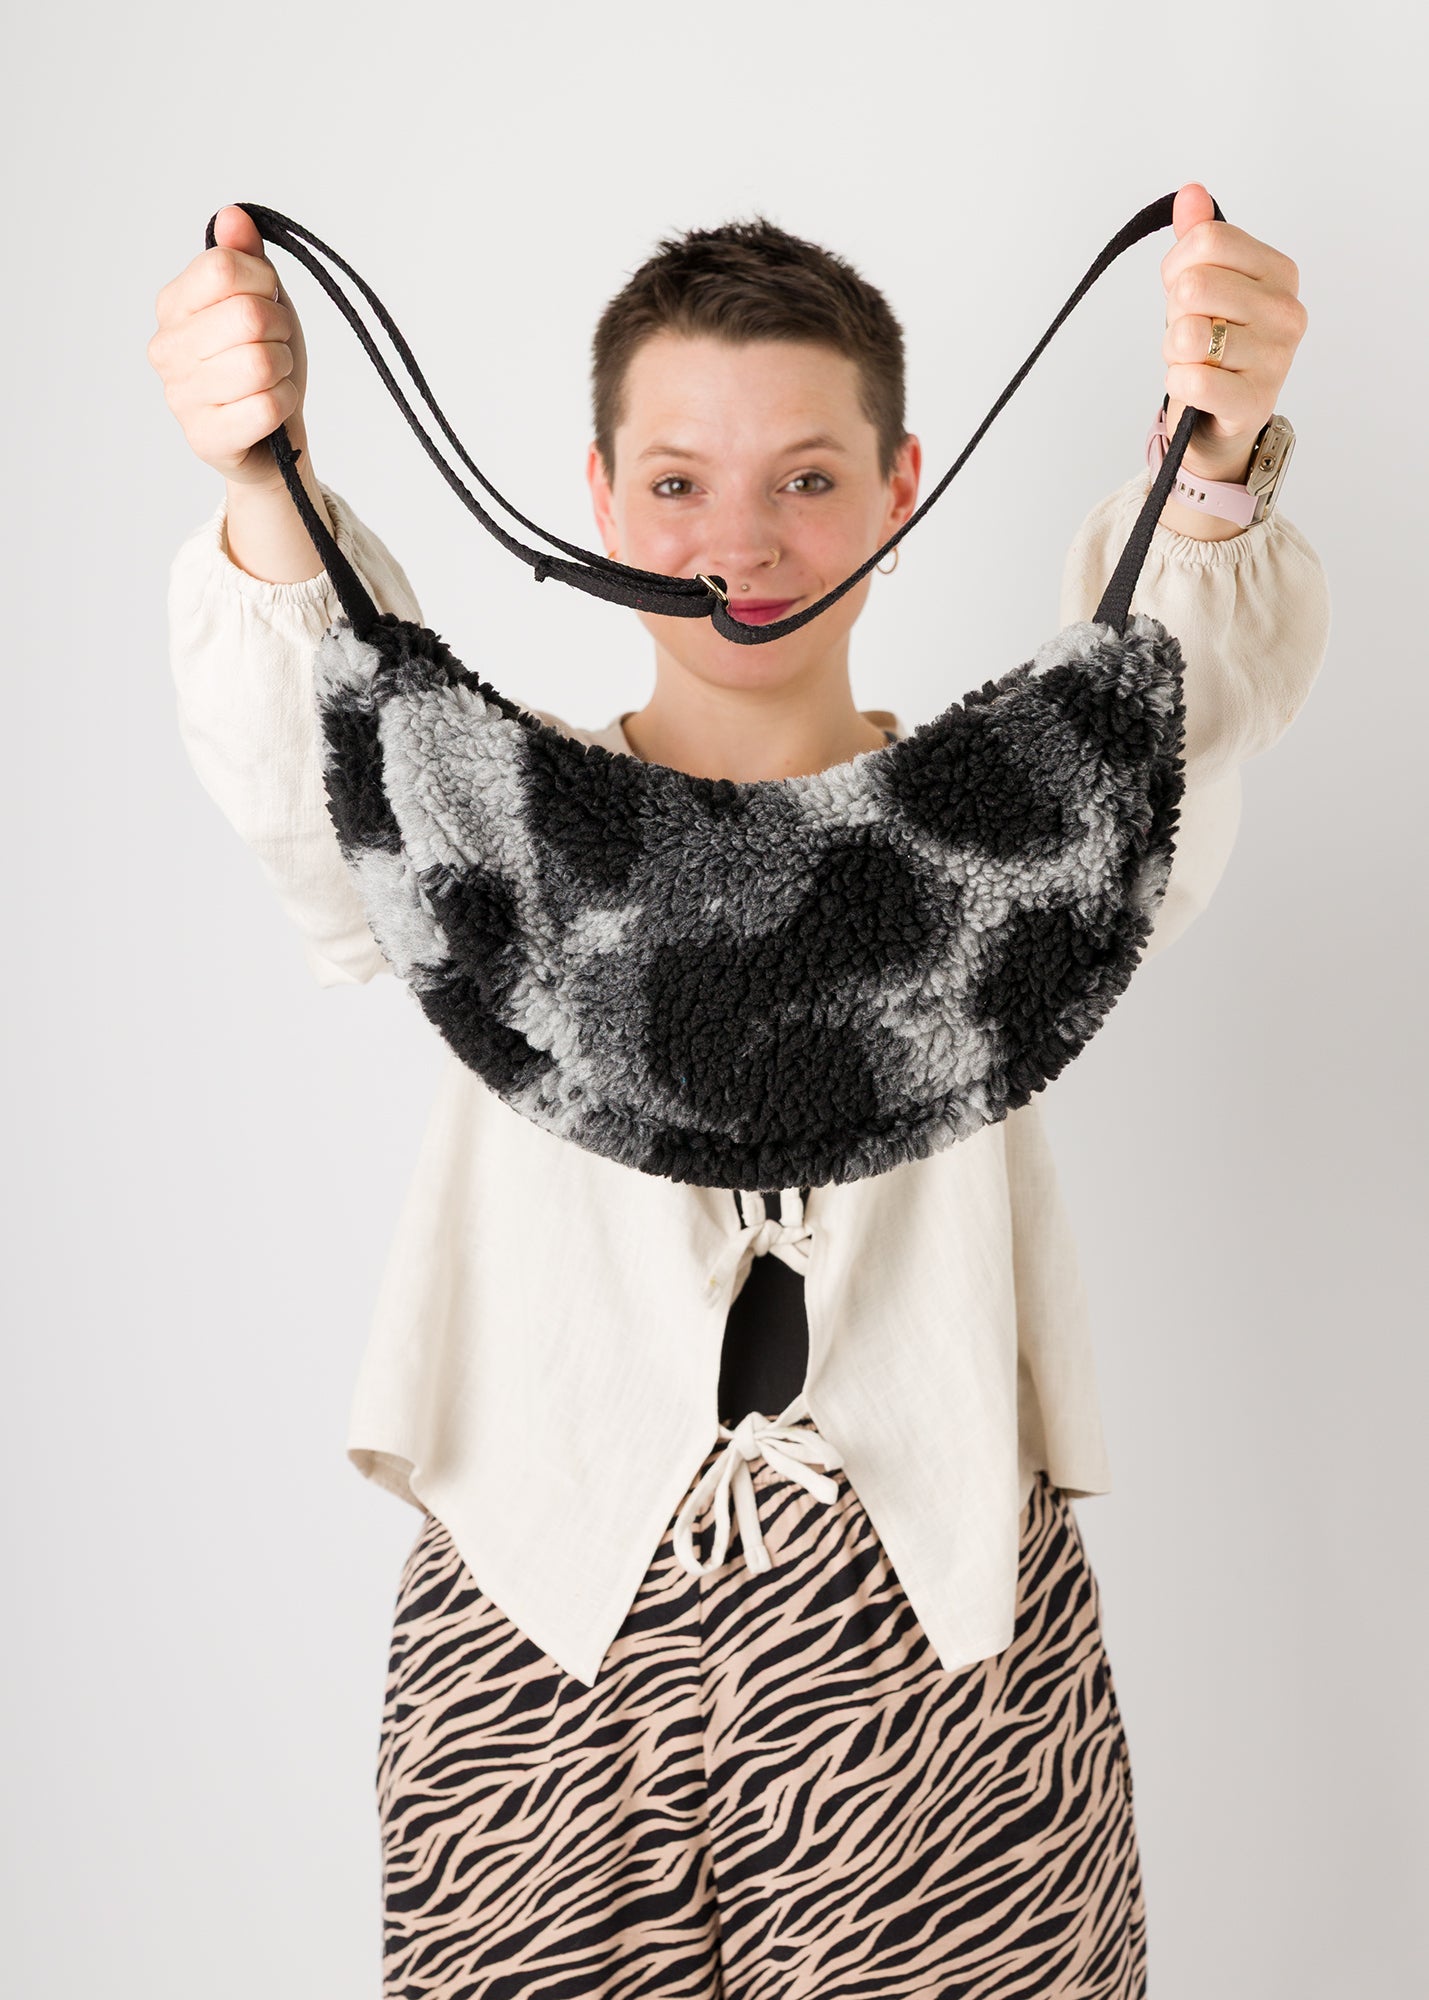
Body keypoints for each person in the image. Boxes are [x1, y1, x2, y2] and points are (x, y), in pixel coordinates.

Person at [150, 183, 1330, 1996]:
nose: (743, 542)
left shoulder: (1029, 841)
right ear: (601, 498)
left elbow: (1184, 715)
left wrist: (1214, 461)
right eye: (679, 481)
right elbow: (306, 749)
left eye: (807, 477)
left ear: (900, 487)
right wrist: (262, 479)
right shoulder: (486, 828)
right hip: (535, 1621)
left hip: (943, 1628)